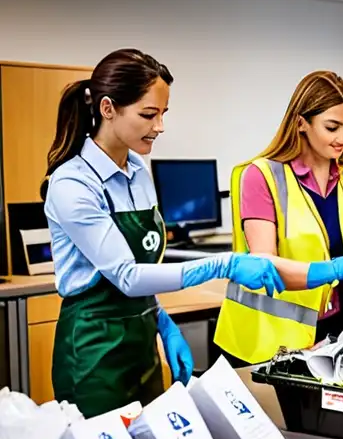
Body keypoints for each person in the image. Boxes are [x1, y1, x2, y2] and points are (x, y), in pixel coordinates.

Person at [43, 49, 288, 418]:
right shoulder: (73, 183)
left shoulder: (138, 171)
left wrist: (163, 321)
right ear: (108, 109)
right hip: (94, 353)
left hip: (141, 343)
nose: (159, 127)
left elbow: (142, 269)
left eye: (163, 114)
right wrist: (224, 264)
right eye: (148, 114)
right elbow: (125, 276)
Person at [214, 70, 343, 364]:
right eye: (332, 127)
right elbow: (265, 266)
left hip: (337, 334)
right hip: (267, 343)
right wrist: (338, 268)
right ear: (301, 122)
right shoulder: (261, 177)